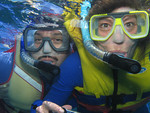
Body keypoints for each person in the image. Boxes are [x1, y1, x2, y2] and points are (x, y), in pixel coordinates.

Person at [32, 0, 150, 113]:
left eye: (129, 24)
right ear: (90, 32)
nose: (118, 39)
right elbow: (44, 105)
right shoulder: (76, 67)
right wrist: (41, 109)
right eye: (105, 25)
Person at [0, 4, 72, 113]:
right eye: (38, 40)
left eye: (57, 40)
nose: (46, 50)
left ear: (71, 45)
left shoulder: (81, 69)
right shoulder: (6, 65)